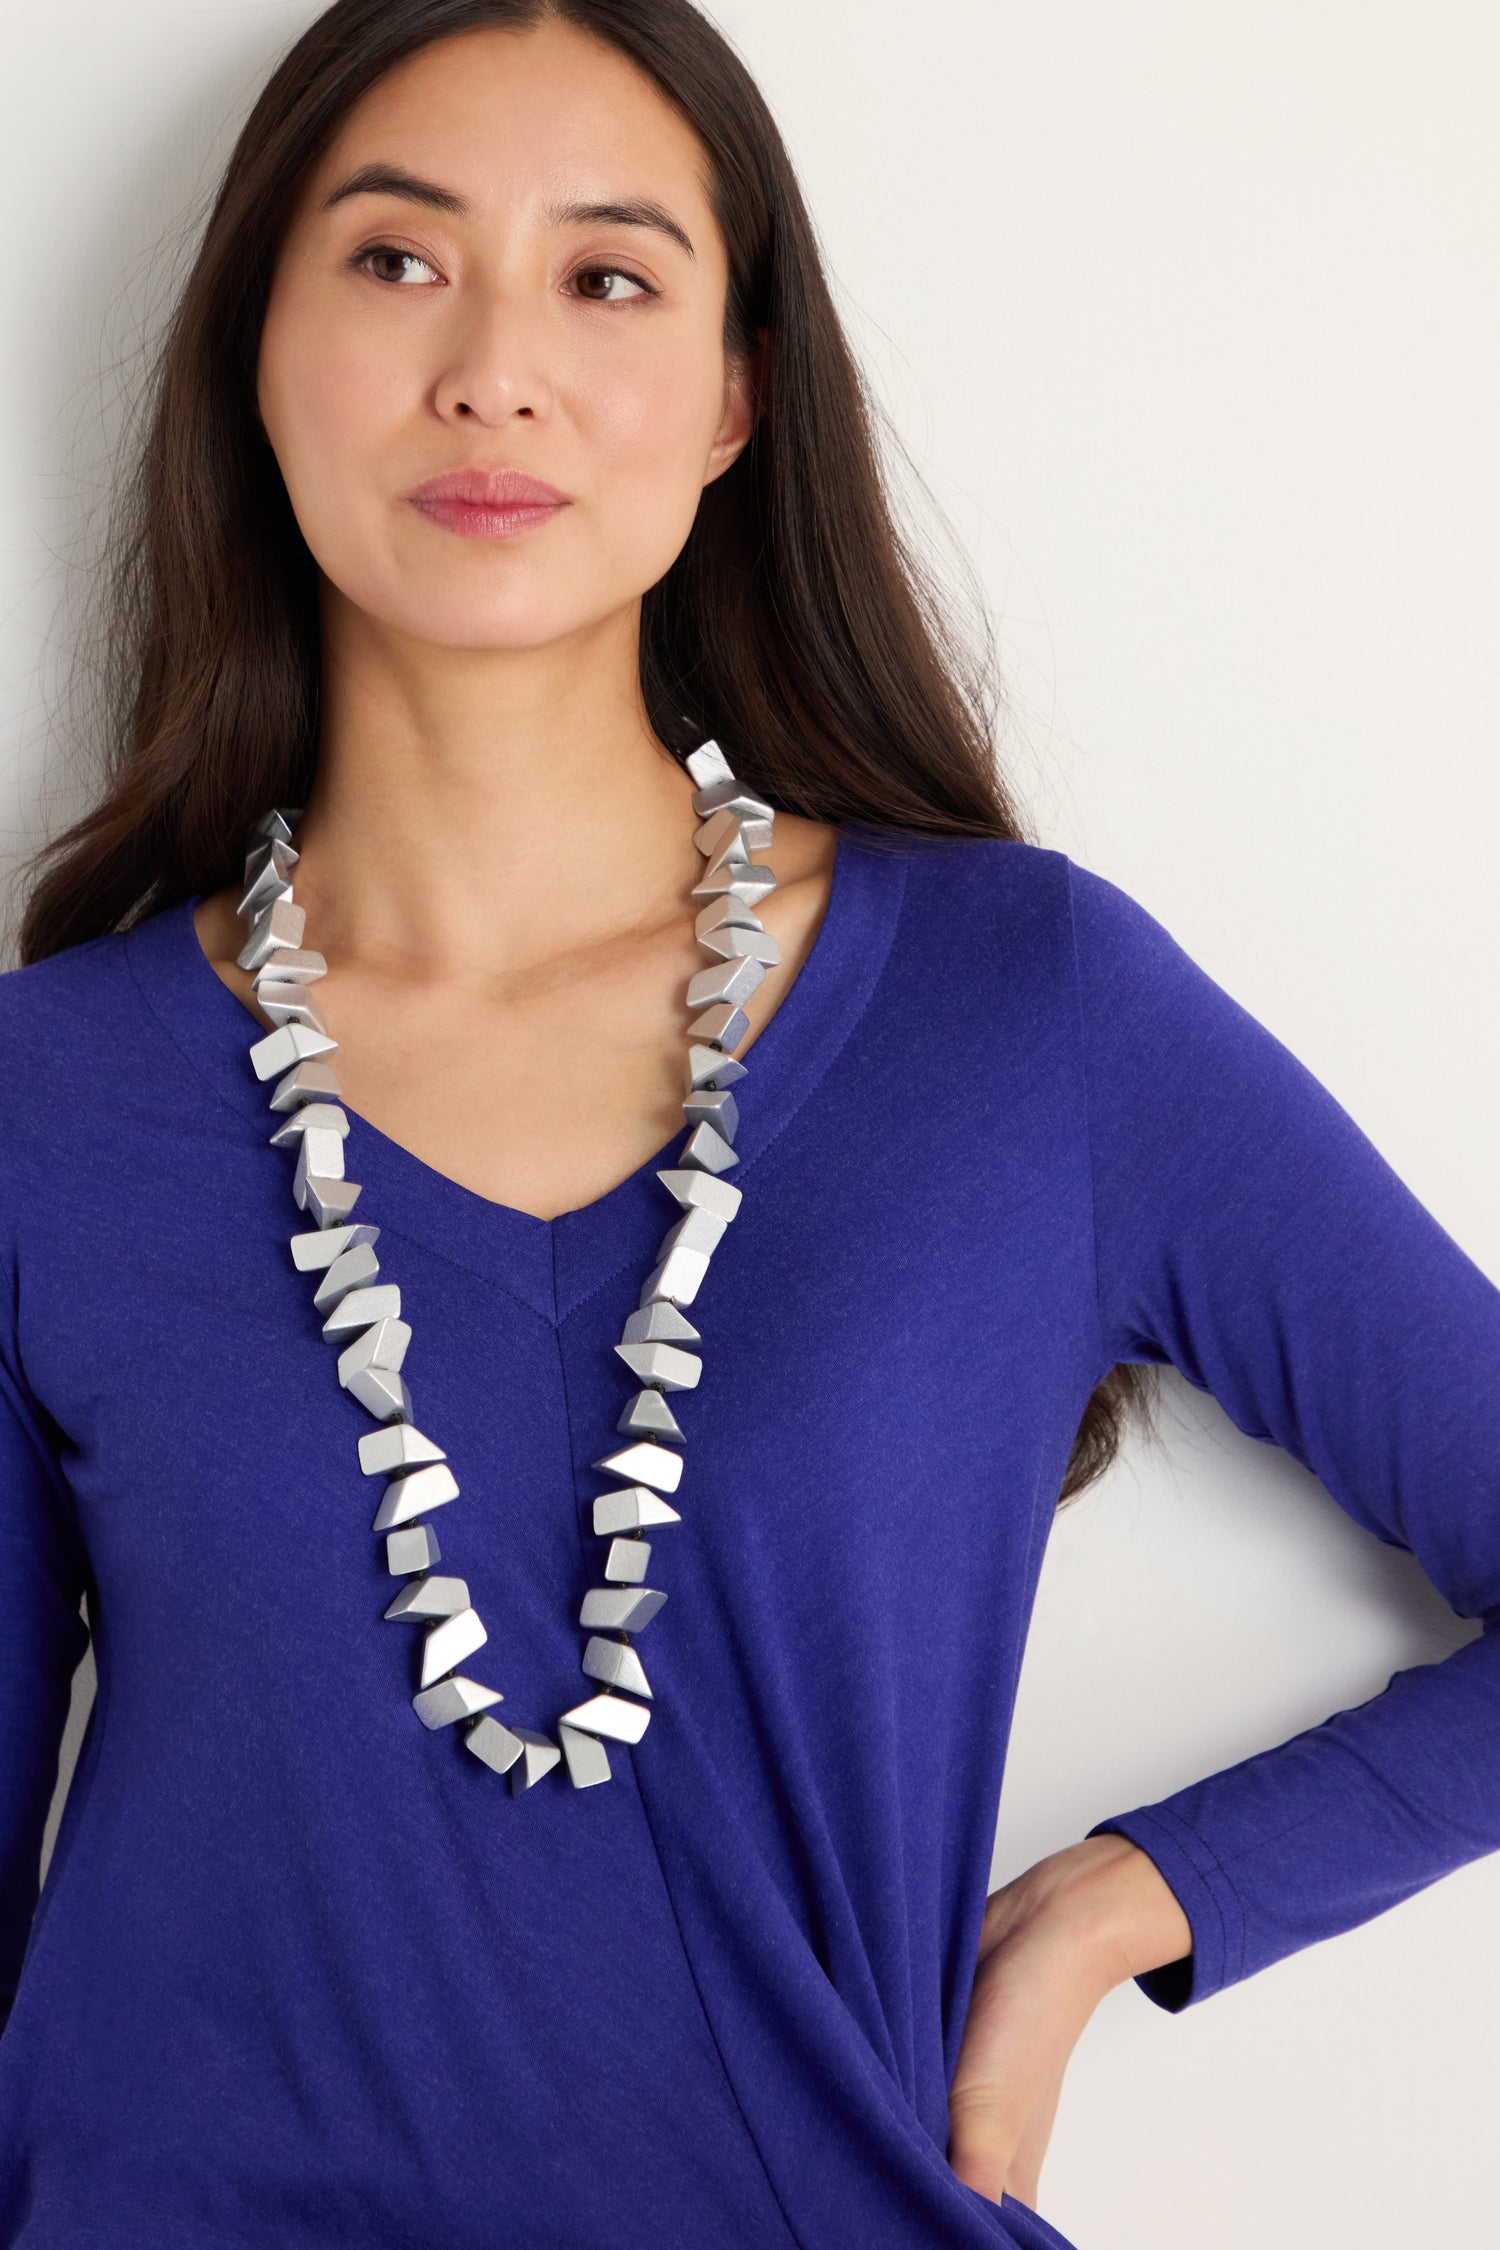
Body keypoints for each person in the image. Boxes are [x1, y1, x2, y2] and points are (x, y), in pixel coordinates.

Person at [1, 2, 1495, 2246]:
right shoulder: (47, 1101)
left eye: (607, 276)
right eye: (397, 262)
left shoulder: (1030, 1013)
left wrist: (1121, 1910)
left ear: (732, 400)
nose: (491, 367)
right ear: (249, 352)